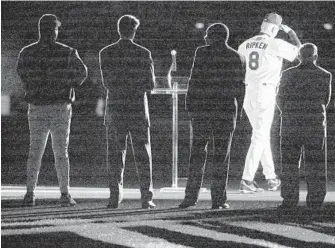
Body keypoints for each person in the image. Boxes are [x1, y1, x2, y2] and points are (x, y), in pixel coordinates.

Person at [17, 14, 88, 207]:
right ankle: (64, 193)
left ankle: (30, 193)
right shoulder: (67, 51)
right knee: (61, 152)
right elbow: (82, 72)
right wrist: (68, 84)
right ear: (55, 30)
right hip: (60, 106)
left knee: (35, 151)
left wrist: (34, 87)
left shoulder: (27, 52)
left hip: (37, 106)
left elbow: (21, 72)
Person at [178, 23, 244, 209]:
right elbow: (240, 88)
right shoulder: (237, 56)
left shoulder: (202, 53)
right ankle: (218, 199)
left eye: (207, 35)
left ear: (213, 36)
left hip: (202, 111)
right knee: (221, 158)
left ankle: (190, 197)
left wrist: (189, 106)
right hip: (225, 111)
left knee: (197, 155)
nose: (205, 38)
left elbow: (194, 80)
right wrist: (237, 115)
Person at [237, 13, 301, 193]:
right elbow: (301, 50)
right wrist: (290, 32)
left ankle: (271, 177)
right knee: (259, 136)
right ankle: (246, 179)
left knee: (261, 135)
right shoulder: (275, 43)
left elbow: (238, 69)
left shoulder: (244, 44)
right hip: (264, 91)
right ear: (274, 29)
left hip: (247, 90)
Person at [99, 15, 156, 209]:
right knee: (143, 155)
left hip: (115, 107)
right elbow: (151, 84)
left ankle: (115, 197)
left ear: (118, 29)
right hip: (138, 108)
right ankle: (146, 197)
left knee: (115, 155)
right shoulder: (143, 53)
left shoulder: (106, 53)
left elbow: (107, 83)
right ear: (134, 30)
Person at [278, 43, 332, 209]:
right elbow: (326, 99)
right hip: (314, 123)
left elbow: (279, 98)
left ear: (299, 56)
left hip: (291, 123)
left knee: (289, 163)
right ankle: (315, 199)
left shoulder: (287, 74)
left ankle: (289, 199)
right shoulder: (325, 75)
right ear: (315, 56)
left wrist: (287, 113)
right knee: (315, 163)